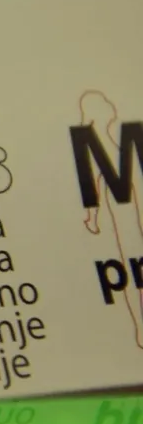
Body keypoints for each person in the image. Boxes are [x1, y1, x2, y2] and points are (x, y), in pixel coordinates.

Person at [80, 89, 143, 350]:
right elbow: (93, 186)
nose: (110, 106)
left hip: (134, 208)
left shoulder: (114, 142)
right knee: (133, 268)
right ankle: (140, 327)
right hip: (125, 214)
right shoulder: (93, 146)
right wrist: (92, 218)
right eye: (104, 103)